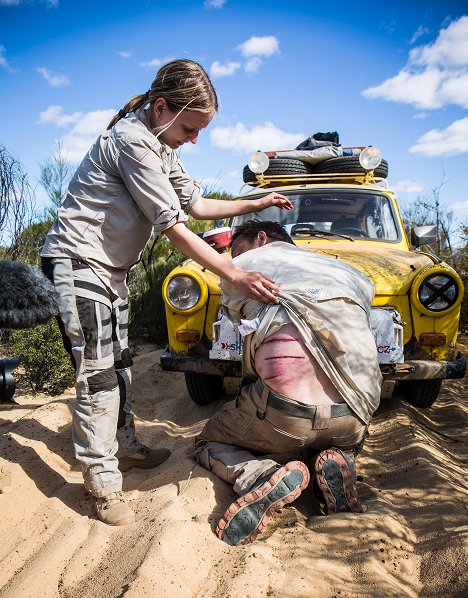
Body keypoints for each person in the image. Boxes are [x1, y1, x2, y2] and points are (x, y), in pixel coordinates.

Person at [40, 60, 292, 526]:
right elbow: (173, 225)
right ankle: (101, 484)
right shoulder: (133, 142)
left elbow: (196, 205)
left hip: (110, 272)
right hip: (77, 264)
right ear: (162, 108)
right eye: (192, 127)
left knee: (120, 364)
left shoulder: (161, 148)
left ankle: (125, 447)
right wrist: (232, 274)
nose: (195, 139)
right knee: (96, 374)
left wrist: (255, 203)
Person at [194, 220, 382, 546]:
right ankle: (337, 457)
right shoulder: (347, 271)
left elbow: (244, 339)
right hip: (355, 410)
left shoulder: (244, 266)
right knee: (340, 435)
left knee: (208, 441)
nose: (233, 257)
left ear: (261, 238)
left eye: (236, 248)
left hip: (285, 412)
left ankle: (262, 475)